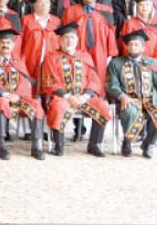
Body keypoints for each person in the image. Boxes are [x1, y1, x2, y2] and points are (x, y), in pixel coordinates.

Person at [40, 22, 110, 157]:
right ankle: (58, 145)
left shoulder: (85, 56)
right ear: (59, 40)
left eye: (72, 37)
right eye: (65, 37)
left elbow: (94, 80)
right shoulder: (51, 57)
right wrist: (68, 96)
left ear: (77, 40)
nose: (69, 40)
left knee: (102, 106)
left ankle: (94, 145)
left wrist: (85, 96)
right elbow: (49, 81)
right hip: (63, 97)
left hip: (84, 97)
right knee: (58, 107)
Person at [0, 27, 45, 160]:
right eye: (2, 42)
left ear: (13, 45)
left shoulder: (18, 61)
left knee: (36, 104)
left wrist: (18, 96)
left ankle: (36, 146)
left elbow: (25, 81)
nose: (5, 45)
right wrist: (6, 95)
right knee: (2, 102)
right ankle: (2, 146)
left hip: (18, 97)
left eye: (8, 43)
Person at [107, 29, 157, 158]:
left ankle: (148, 144)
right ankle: (127, 142)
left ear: (143, 47)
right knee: (130, 112)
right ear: (126, 46)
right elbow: (111, 85)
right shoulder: (116, 63)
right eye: (130, 44)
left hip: (151, 100)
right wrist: (122, 96)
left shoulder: (152, 63)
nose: (133, 47)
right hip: (130, 100)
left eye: (136, 44)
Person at [62, 0, 118, 94]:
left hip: (100, 51)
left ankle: (99, 102)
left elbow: (111, 33)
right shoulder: (71, 11)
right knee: (79, 76)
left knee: (100, 78)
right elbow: (64, 34)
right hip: (77, 50)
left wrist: (111, 54)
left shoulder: (106, 11)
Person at [120, 0, 157, 75]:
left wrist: (156, 62)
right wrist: (137, 61)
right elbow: (126, 45)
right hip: (136, 64)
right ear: (137, 7)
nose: (144, 7)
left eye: (147, 4)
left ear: (152, 6)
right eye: (141, 5)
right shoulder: (130, 23)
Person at [20, 0, 60, 82]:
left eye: (46, 2)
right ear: (34, 5)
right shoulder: (25, 20)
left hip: (51, 62)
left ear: (50, 5)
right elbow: (20, 42)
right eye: (40, 2)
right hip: (30, 60)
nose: (44, 5)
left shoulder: (56, 22)